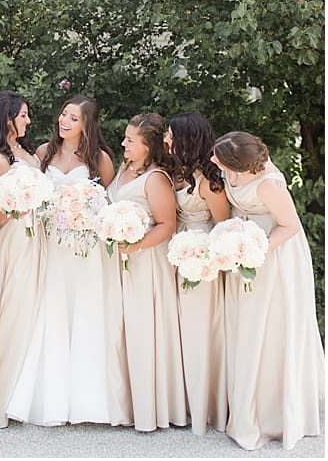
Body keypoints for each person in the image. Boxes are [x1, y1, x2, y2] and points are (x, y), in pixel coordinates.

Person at [5, 95, 131, 427]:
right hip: (51, 245)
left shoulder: (99, 158)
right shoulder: (44, 153)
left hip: (85, 249)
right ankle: (50, 399)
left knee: (86, 310)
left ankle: (90, 400)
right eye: (63, 114)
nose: (64, 121)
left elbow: (107, 202)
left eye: (73, 118)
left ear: (86, 124)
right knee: (52, 309)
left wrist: (85, 215)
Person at [213, 131, 325, 450]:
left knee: (269, 327)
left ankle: (271, 412)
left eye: (217, 157)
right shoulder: (230, 169)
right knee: (245, 326)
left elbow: (289, 226)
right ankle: (244, 401)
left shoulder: (268, 185)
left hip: (273, 255)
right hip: (241, 248)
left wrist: (255, 250)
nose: (212, 160)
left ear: (238, 162)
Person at [107, 113, 187, 432]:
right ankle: (125, 402)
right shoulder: (126, 169)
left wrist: (134, 246)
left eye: (130, 140)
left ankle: (150, 408)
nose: (123, 144)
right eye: (125, 138)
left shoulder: (155, 178)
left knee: (144, 330)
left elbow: (167, 225)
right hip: (121, 260)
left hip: (145, 263)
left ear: (148, 146)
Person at [0, 91, 44, 429]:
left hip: (36, 236)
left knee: (34, 310)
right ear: (7, 118)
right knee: (15, 310)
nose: (28, 121)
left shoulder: (25, 152)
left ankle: (27, 395)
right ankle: (4, 397)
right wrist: (27, 202)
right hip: (16, 239)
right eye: (23, 116)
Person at [165, 111, 229, 435]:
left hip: (201, 262)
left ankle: (204, 405)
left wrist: (202, 256)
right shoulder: (177, 173)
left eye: (171, 135)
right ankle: (183, 402)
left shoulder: (209, 180)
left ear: (186, 139)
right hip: (176, 255)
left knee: (198, 331)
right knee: (178, 330)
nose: (166, 140)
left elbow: (223, 226)